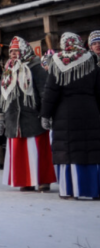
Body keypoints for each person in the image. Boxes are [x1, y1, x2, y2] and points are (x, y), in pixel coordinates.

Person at [41, 33, 100, 200]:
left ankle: (69, 190)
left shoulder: (58, 61)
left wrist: (45, 114)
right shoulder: (90, 59)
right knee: (91, 150)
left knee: (68, 151)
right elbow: (98, 88)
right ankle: (92, 189)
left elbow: (51, 92)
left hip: (64, 112)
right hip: (90, 110)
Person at [0, 36, 55, 192]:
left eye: (16, 51)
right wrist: (0, 118)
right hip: (14, 120)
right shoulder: (8, 70)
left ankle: (43, 181)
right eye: (11, 51)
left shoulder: (36, 67)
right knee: (20, 154)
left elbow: (44, 93)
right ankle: (25, 181)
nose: (13, 54)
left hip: (33, 119)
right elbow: (0, 96)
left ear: (24, 50)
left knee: (39, 152)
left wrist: (45, 115)